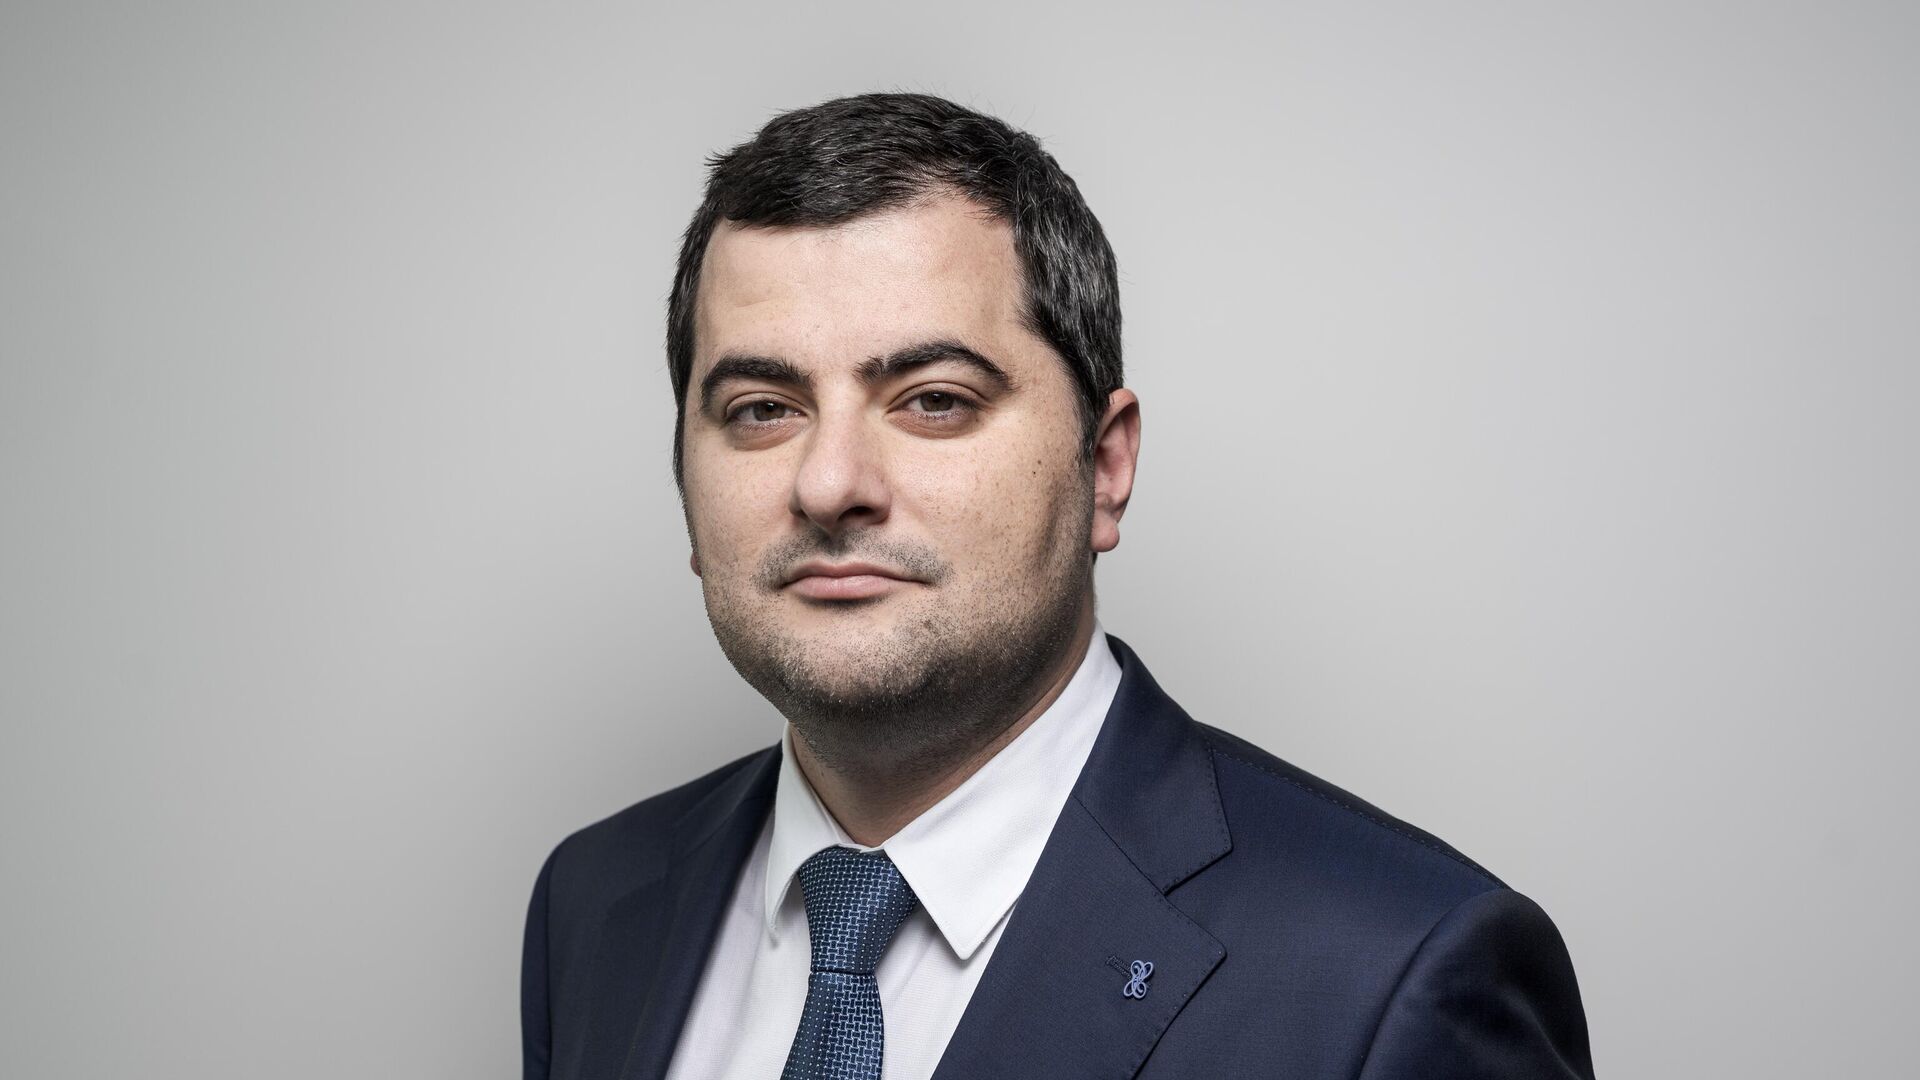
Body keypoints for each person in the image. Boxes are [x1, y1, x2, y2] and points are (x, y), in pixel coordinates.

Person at [520, 91, 1595, 1080]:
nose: (830, 484)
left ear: (1105, 466)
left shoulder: (1396, 973)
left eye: (935, 400)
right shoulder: (596, 904)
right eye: (762, 410)